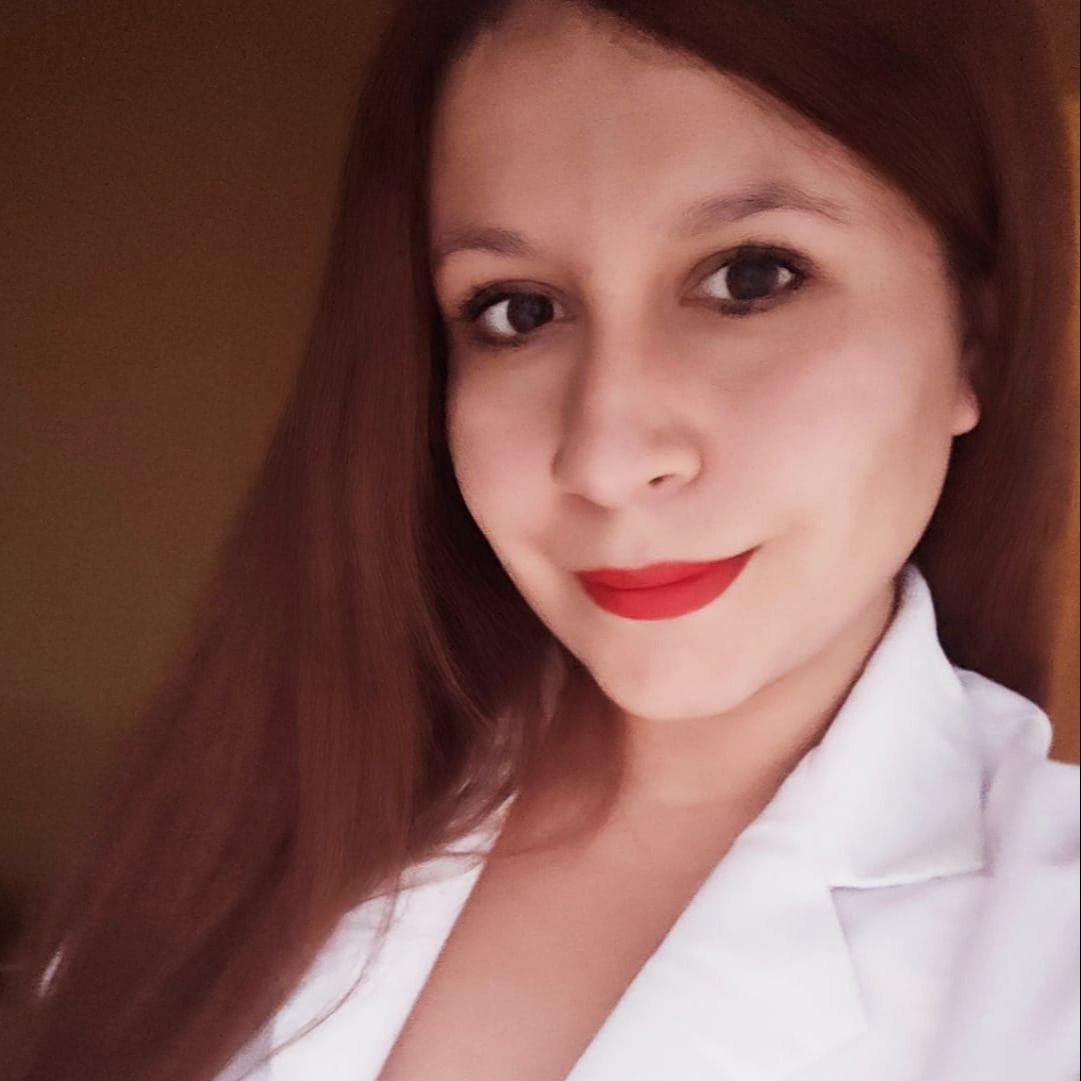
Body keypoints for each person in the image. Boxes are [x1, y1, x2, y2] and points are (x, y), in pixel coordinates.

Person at [1, 0, 1077, 1079]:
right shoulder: (253, 812)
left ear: (972, 338)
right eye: (518, 310)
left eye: (749, 277)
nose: (604, 459)